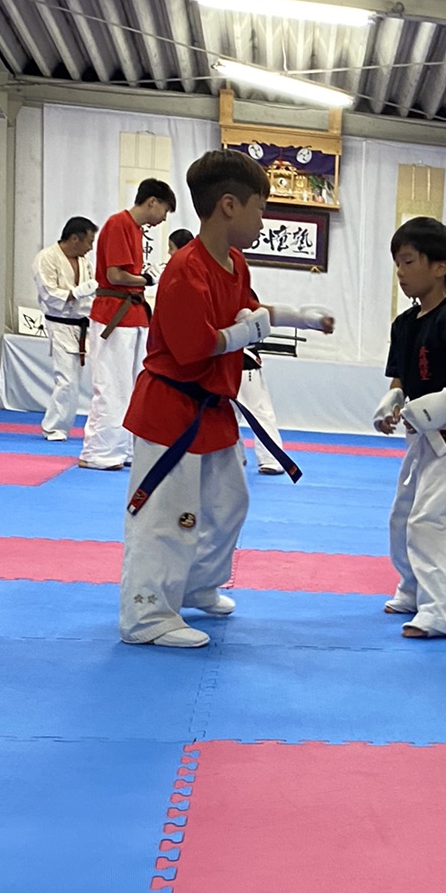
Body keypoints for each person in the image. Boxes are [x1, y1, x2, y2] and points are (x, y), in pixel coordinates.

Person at [118, 152, 334, 649]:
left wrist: (300, 317)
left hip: (212, 409)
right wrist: (245, 333)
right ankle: (146, 615)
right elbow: (196, 347)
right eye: (261, 208)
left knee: (228, 504)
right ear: (230, 206)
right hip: (171, 411)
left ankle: (197, 584)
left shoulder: (234, 263)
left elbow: (250, 311)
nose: (263, 220)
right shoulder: (184, 270)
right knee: (166, 516)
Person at [373, 217, 446, 640]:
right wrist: (393, 400)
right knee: (403, 517)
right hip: (424, 436)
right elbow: (401, 377)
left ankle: (443, 611)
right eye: (397, 263)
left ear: (440, 267)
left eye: (408, 262)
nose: (401, 272)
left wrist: (445, 401)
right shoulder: (404, 324)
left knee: (435, 521)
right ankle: (413, 587)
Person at [169, 226, 286, 477]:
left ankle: (271, 458)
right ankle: (235, 455)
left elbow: (257, 321)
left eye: (171, 250)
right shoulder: (195, 280)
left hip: (242, 360)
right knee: (224, 413)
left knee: (256, 410)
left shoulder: (236, 279)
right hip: (220, 362)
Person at [80, 178, 176, 469]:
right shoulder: (118, 224)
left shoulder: (134, 229)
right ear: (152, 202)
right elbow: (115, 275)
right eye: (165, 210)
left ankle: (123, 449)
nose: (163, 219)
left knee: (134, 387)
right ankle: (99, 452)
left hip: (133, 313)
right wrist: (147, 279)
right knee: (111, 385)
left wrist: (144, 279)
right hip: (114, 314)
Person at [32, 216, 97, 440]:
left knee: (75, 381)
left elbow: (91, 295)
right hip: (60, 324)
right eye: (89, 241)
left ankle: (62, 425)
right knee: (66, 379)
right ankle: (53, 427)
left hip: (83, 325)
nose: (91, 247)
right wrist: (77, 292)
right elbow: (48, 293)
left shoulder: (84, 262)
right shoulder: (46, 258)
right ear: (75, 238)